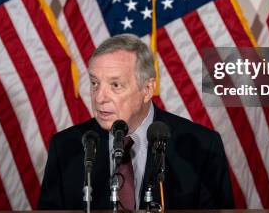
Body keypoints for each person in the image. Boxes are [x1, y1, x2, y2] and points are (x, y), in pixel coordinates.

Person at [37, 34, 234, 210]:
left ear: (147, 89)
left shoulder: (202, 147)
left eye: (115, 85)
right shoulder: (65, 147)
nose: (99, 98)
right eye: (95, 83)